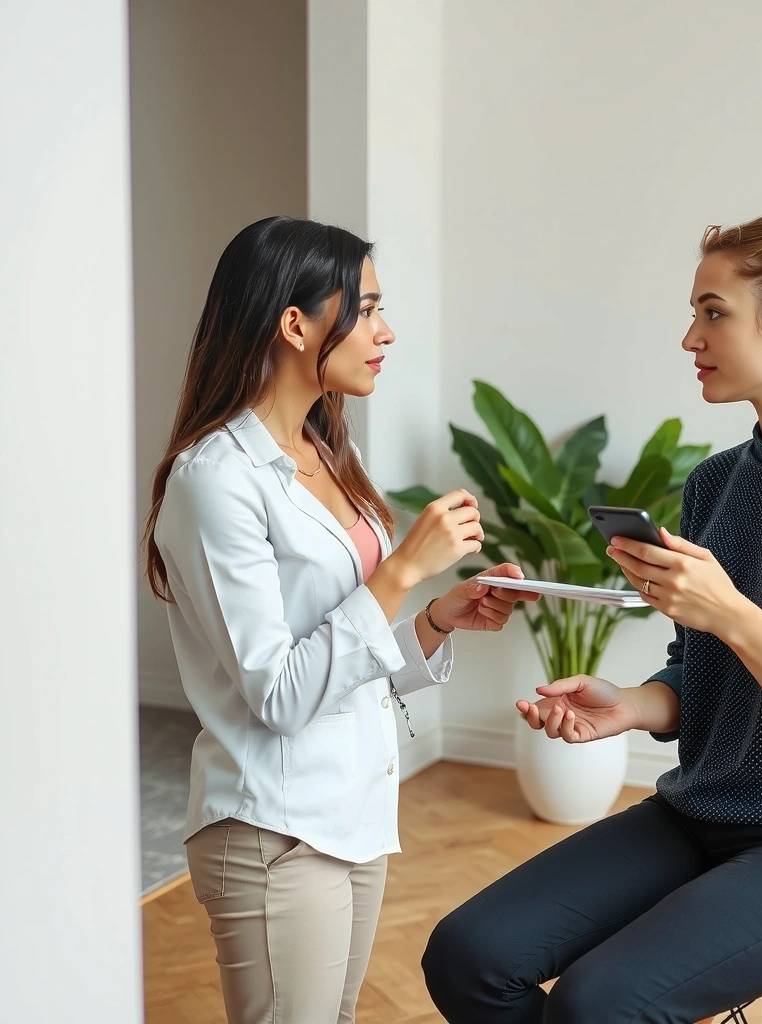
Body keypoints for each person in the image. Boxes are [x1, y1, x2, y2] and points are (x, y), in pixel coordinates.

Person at [421, 213, 762, 1023]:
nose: (689, 337)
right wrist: (629, 705)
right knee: (467, 957)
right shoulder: (715, 485)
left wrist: (736, 616)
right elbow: (703, 681)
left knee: (598, 1005)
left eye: (713, 311)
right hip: (702, 810)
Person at [142, 216, 536, 1024]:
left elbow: (341, 653)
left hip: (354, 813)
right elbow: (279, 693)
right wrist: (399, 572)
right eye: (366, 309)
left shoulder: (327, 455)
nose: (386, 332)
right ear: (296, 324)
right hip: (272, 831)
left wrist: (433, 619)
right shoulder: (213, 480)